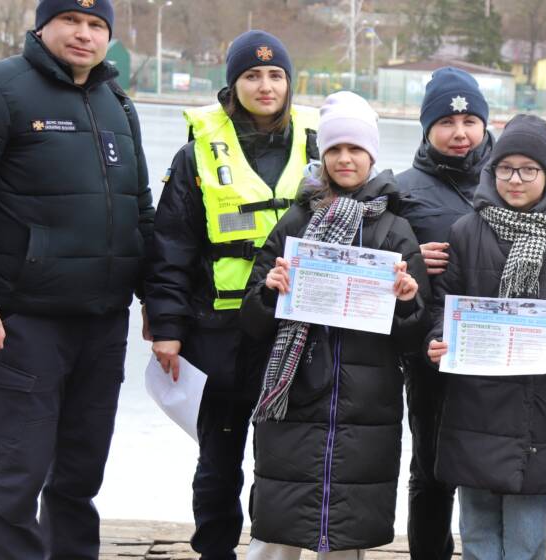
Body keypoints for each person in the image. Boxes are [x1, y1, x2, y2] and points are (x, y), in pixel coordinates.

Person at [0, 1, 152, 557]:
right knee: (16, 480)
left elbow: (139, 208)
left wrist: (155, 299)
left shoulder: (116, 102)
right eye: (71, 21)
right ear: (43, 25)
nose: (84, 34)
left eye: (97, 25)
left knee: (79, 480)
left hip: (102, 324)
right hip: (22, 322)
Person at [144, 30, 318, 560]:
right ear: (233, 83)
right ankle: (213, 551)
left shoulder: (320, 145)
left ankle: (274, 552)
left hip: (293, 330)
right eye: (251, 75)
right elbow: (170, 246)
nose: (265, 86)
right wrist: (168, 328)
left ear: (289, 83)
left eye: (275, 75)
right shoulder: (196, 153)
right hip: (217, 334)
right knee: (219, 462)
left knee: (283, 462)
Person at [239, 91, 429, 560]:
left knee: (346, 533)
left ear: (372, 155)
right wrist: (271, 290)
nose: (345, 159)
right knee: (277, 528)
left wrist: (407, 301)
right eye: (335, 150)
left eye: (355, 149)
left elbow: (413, 333)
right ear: (322, 156)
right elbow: (252, 317)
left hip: (366, 399)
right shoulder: (297, 220)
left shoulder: (395, 229)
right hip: (296, 388)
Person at [425, 114, 546, 560]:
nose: (516, 180)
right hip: (474, 404)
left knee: (526, 540)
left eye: (529, 170)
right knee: (478, 535)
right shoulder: (466, 231)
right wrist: (438, 339)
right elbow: (441, 306)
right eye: (505, 168)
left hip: (539, 411)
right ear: (492, 169)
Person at [394, 65, 495, 560]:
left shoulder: (514, 178)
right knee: (430, 466)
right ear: (427, 127)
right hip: (429, 348)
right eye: (447, 123)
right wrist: (411, 259)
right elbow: (377, 255)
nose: (460, 133)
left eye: (470, 122)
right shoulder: (400, 188)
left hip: (496, 347)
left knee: (488, 462)